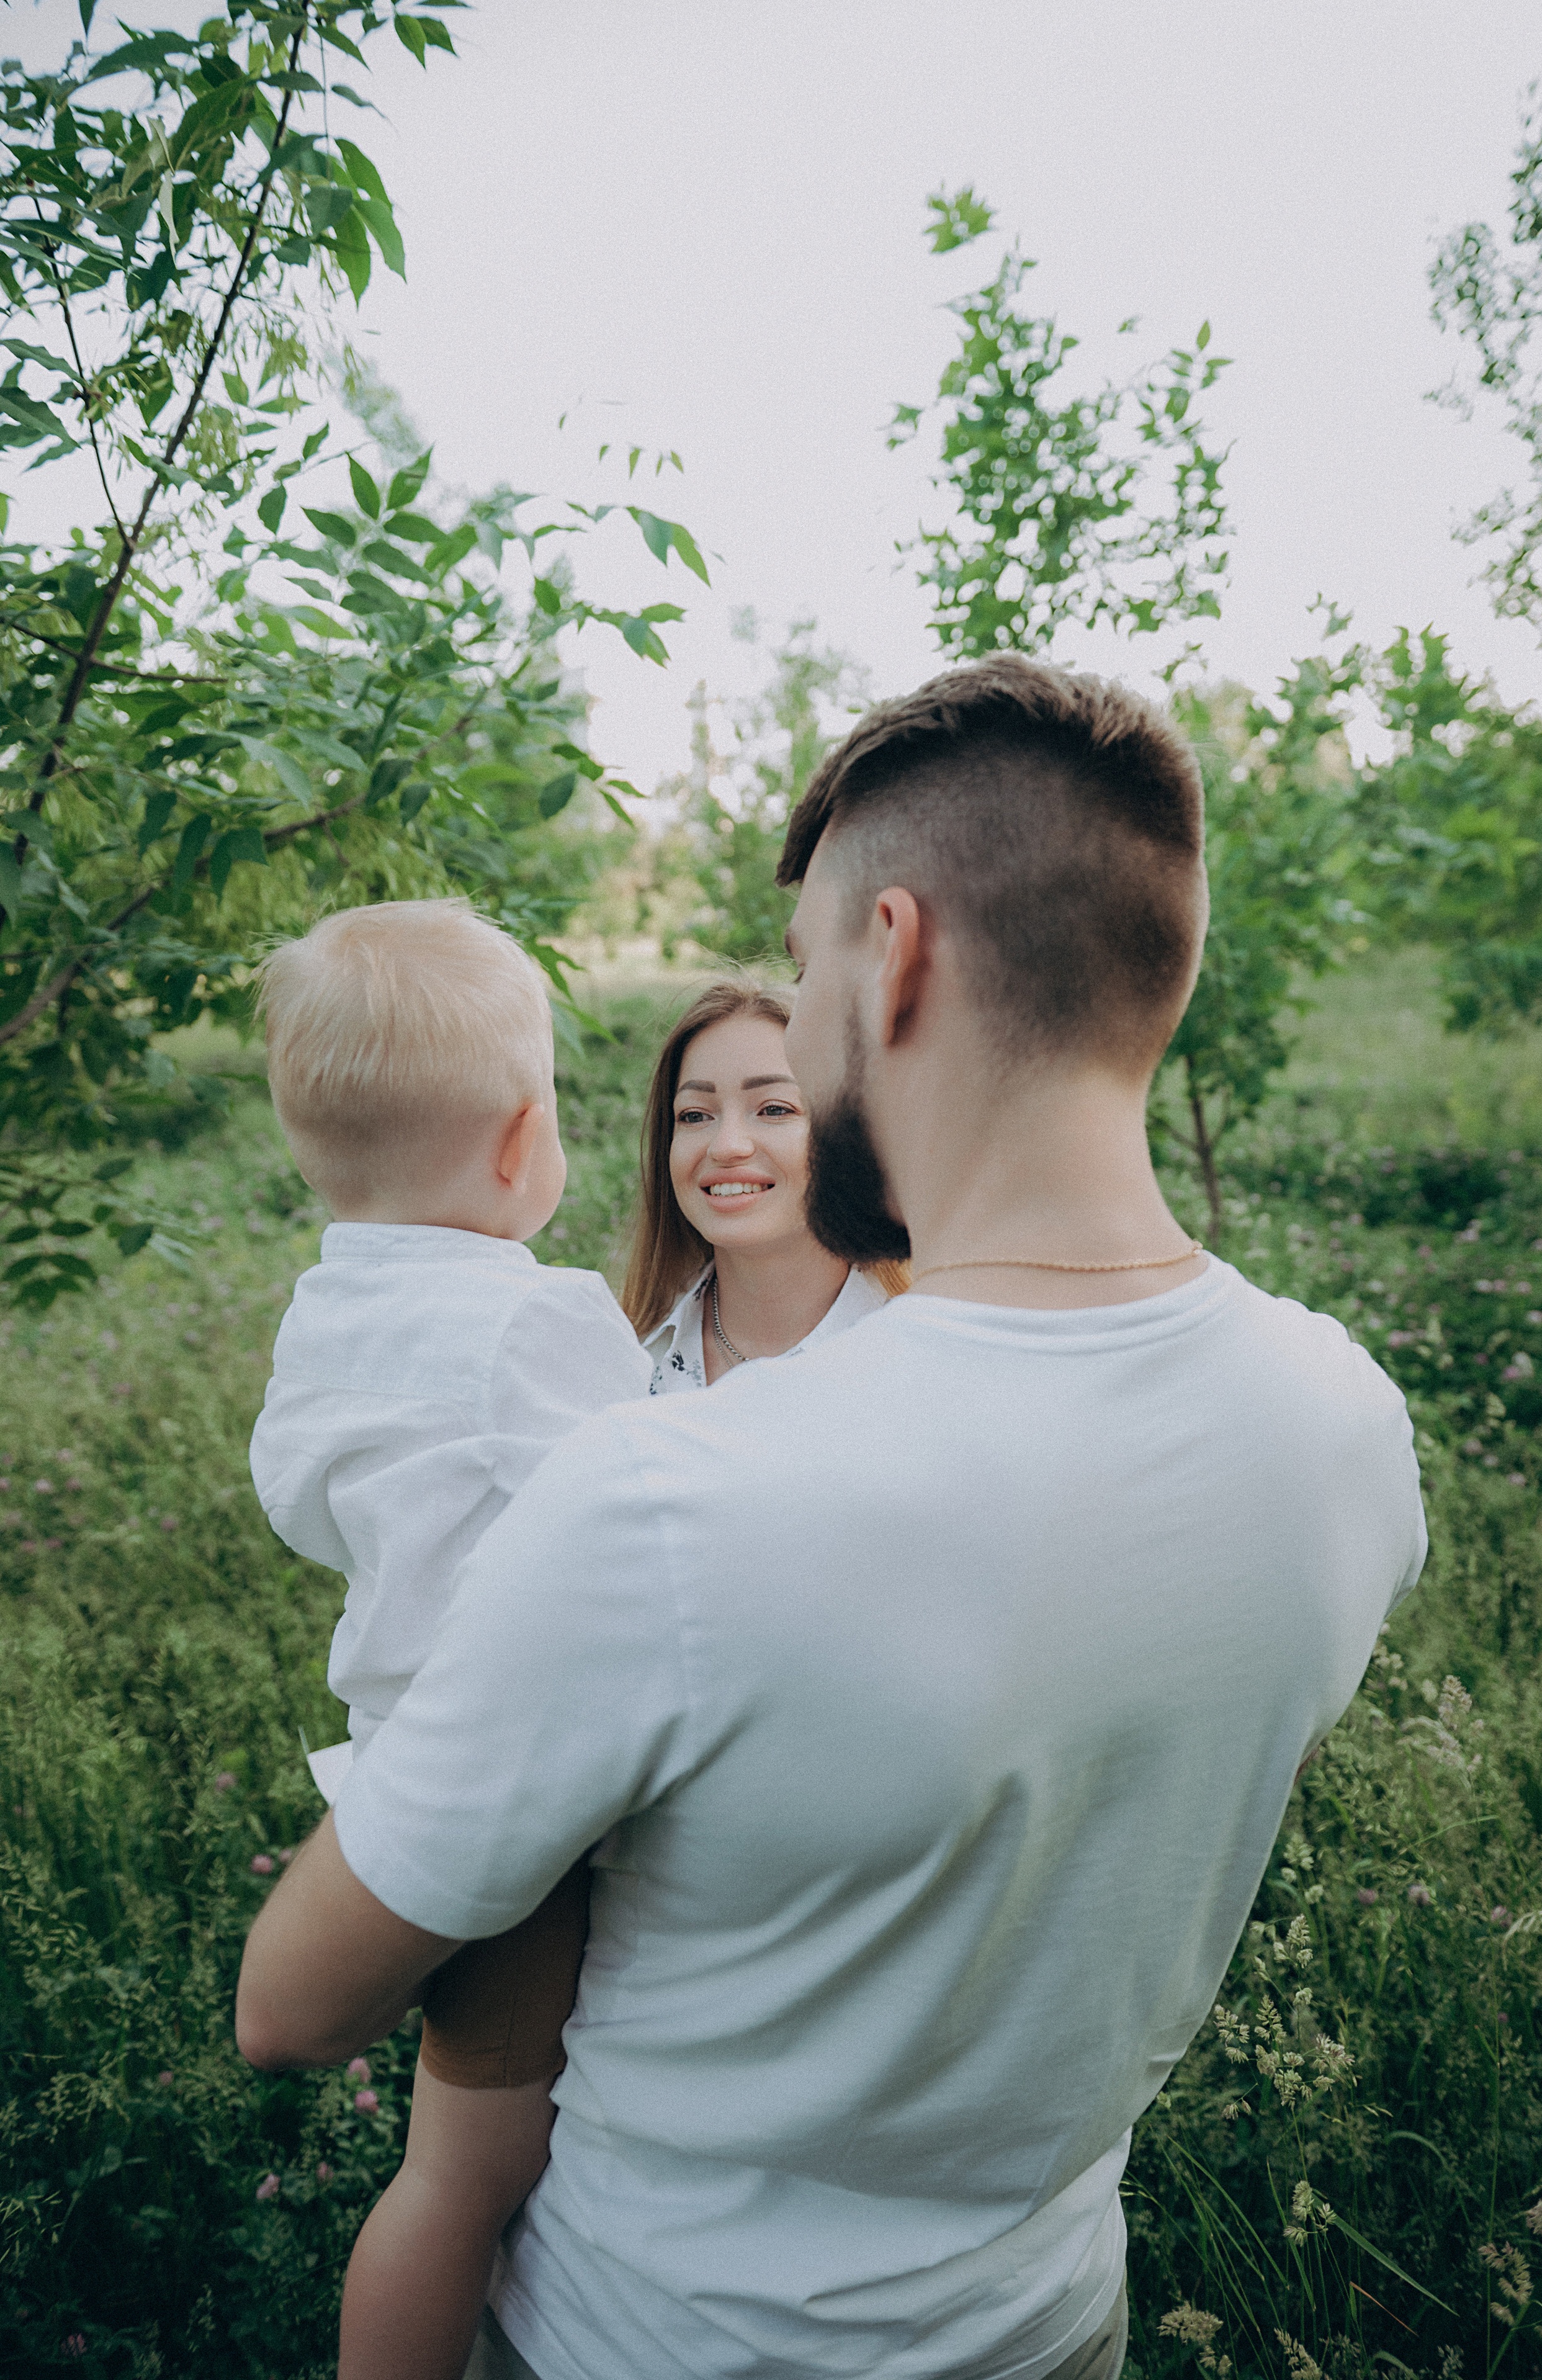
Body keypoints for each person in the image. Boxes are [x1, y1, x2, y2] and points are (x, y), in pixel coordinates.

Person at [237, 658, 1427, 2380]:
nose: (788, 1032)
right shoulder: (1346, 1430)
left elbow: (294, 2007)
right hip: (1048, 2329)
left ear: (899, 950)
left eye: (800, 977)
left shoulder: (669, 1495)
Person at [248, 898, 650, 2380]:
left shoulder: (325, 1313)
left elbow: (302, 1496)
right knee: (475, 2172)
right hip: (509, 1799)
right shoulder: (535, 1319)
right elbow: (660, 1495)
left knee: (441, 2159)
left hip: (390, 1775)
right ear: (519, 1141)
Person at [622, 977, 906, 1390]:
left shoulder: (918, 1364)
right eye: (695, 1115)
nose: (726, 1146)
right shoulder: (621, 1360)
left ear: (853, 1135)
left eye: (775, 1109)